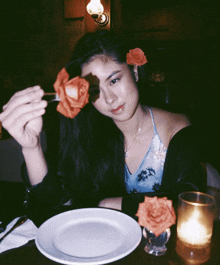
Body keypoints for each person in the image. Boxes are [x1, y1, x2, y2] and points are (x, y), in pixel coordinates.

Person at [0, 30, 207, 226]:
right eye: (95, 90)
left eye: (114, 80)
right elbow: (53, 205)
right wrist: (31, 147)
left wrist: (112, 205)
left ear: (134, 71)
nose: (109, 98)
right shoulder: (87, 132)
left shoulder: (176, 129)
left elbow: (188, 207)